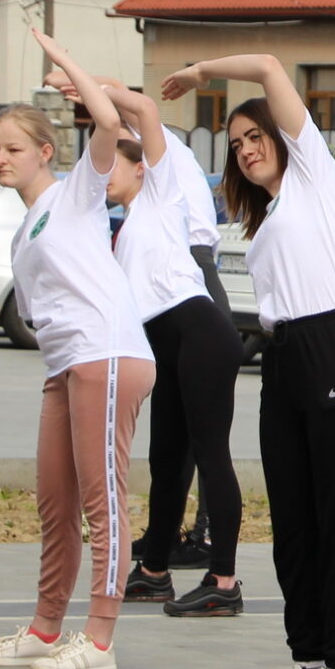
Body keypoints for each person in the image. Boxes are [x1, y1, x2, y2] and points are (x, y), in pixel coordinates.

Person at [161, 53, 335, 669]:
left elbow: (266, 65)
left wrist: (199, 73)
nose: (245, 149)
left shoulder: (315, 176)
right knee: (293, 529)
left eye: (254, 135)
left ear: (282, 136)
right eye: (236, 144)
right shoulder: (264, 217)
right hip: (285, 357)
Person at [0, 35, 155, 669]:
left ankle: (99, 640)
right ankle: (46, 628)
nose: (1, 158)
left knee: (103, 502)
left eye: (14, 148)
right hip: (64, 366)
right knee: (55, 502)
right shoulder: (26, 227)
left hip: (107, 354)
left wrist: (66, 61)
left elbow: (108, 120)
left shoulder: (76, 192)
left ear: (45, 151)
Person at [84, 78, 246, 618]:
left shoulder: (162, 195)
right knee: (166, 460)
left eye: (114, 164)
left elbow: (146, 109)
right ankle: (154, 572)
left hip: (201, 333)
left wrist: (91, 84)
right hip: (166, 345)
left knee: (211, 454)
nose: (105, 174)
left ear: (142, 169)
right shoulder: (126, 227)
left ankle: (223, 581)